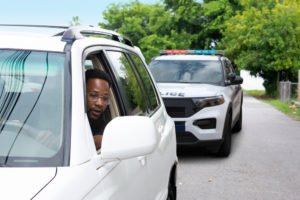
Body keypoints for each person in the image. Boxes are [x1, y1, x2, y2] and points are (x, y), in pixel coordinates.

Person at [85, 68, 111, 150]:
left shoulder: (107, 130)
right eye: (93, 95)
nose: (100, 103)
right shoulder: (61, 120)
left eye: (105, 98)